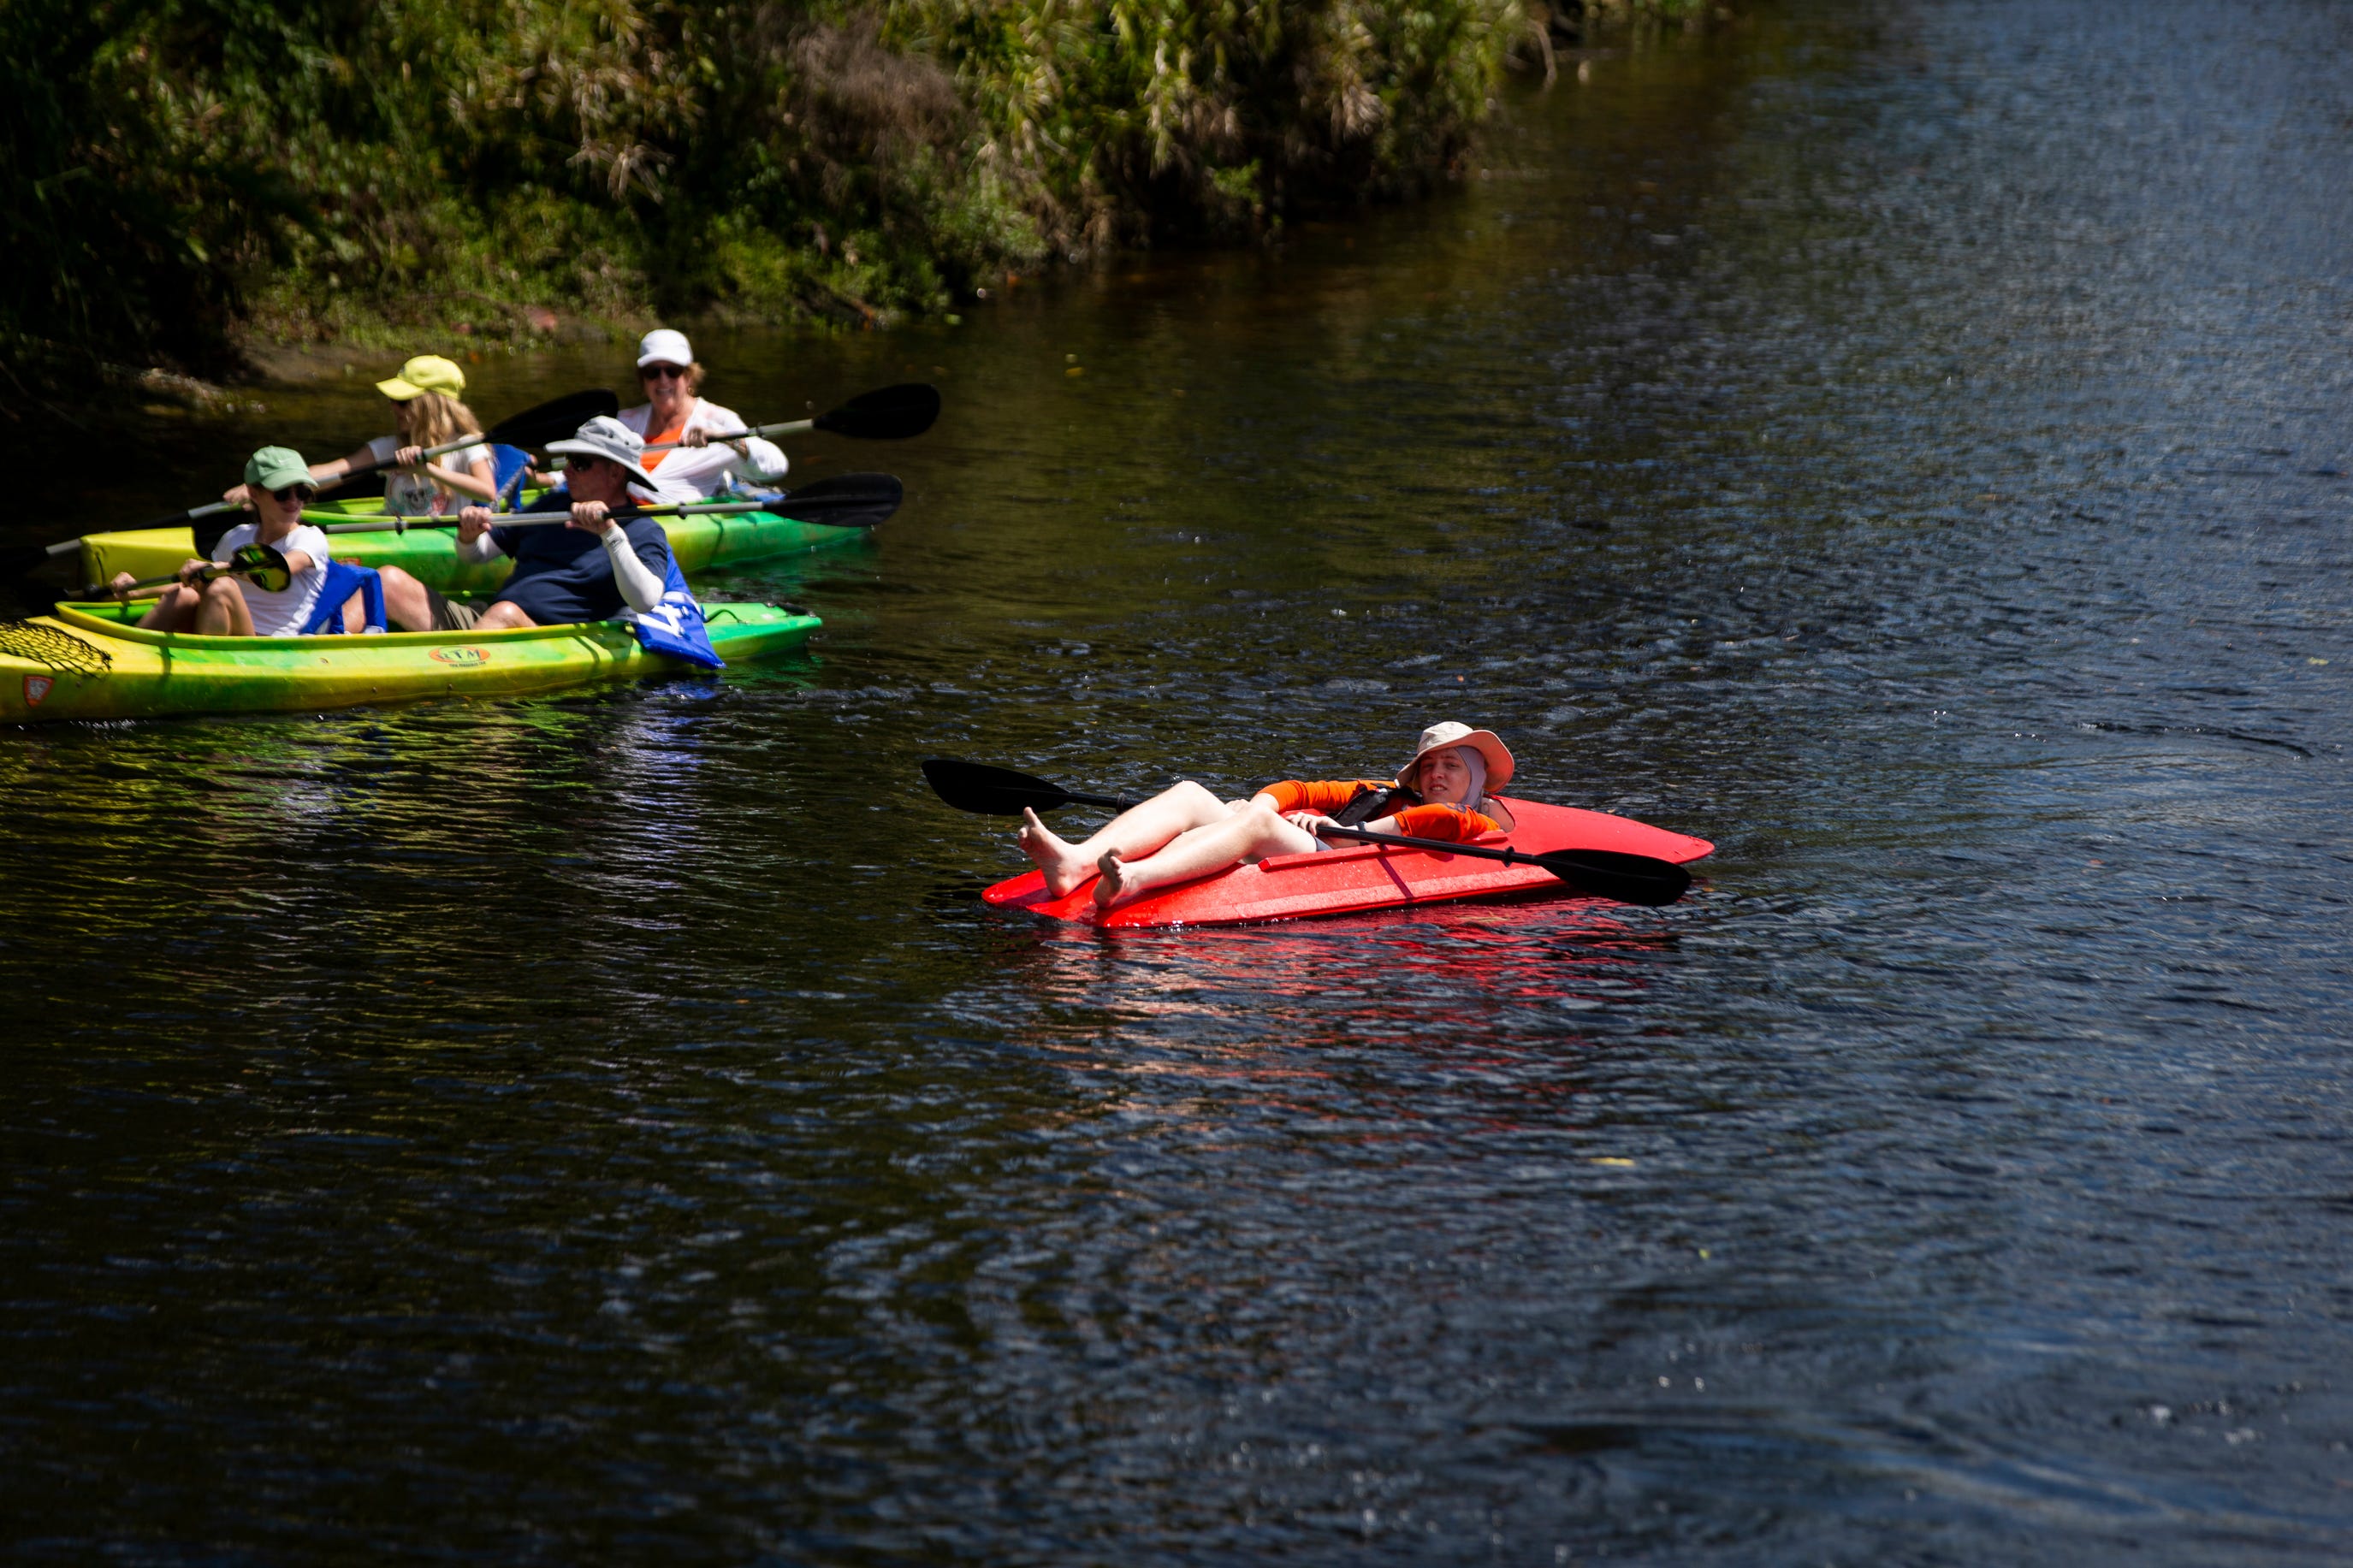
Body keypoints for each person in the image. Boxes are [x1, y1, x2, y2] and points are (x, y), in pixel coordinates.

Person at [1017, 723, 1520, 913]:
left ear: (1475, 779)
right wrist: (1263, 805)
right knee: (1193, 793)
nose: (1436, 773)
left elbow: (1418, 826)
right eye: (1429, 764)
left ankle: (1133, 879)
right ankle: (1077, 861)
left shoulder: (1473, 822)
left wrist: (1323, 827)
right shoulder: (1383, 790)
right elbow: (1300, 789)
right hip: (1325, 849)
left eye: (1451, 765)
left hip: (1341, 862)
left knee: (1258, 829)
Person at [371, 416, 673, 633]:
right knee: (386, 581)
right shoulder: (552, 504)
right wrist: (468, 536)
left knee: (505, 614)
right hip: (490, 622)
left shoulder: (642, 529)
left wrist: (610, 533)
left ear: (615, 474)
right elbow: (476, 554)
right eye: (568, 460)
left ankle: (440, 675)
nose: (567, 471)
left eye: (580, 463)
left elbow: (646, 601)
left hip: (549, 639)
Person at [225, 354, 497, 515]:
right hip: (395, 531)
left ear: (432, 406)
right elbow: (333, 471)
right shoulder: (391, 447)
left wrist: (428, 471)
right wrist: (268, 487)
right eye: (392, 399)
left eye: (402, 401)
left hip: (445, 540)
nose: (393, 407)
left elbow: (488, 493)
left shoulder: (466, 445)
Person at [114, 447, 333, 636]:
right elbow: (196, 580)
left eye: (302, 492)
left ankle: (203, 665)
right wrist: (137, 590)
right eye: (283, 493)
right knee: (186, 594)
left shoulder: (309, 538)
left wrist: (219, 569)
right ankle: (127, 653)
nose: (294, 501)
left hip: (268, 646)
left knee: (221, 586)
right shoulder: (237, 536)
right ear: (254, 494)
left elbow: (279, 569)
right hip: (228, 626)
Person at [615, 328, 787, 500]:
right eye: (652, 372)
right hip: (622, 516)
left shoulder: (718, 419)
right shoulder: (624, 422)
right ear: (642, 379)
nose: (663, 380)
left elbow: (776, 466)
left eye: (672, 371)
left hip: (682, 519)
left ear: (688, 376)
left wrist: (727, 439)